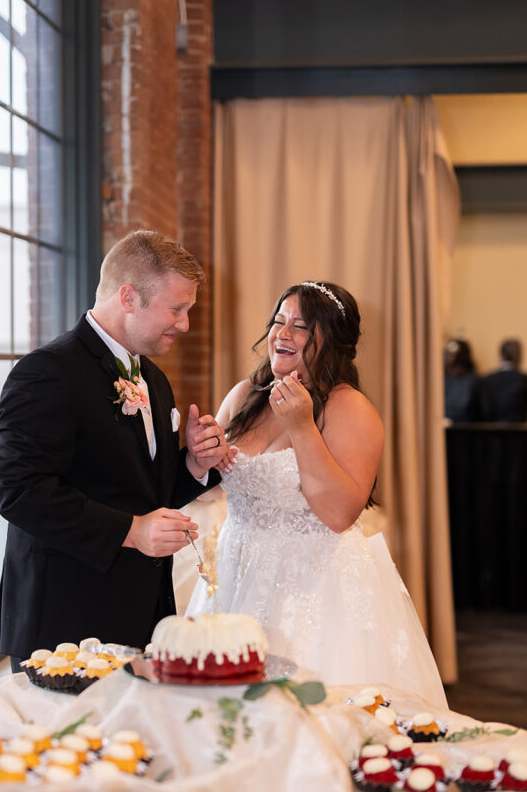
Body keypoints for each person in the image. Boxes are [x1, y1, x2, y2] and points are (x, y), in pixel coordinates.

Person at [186, 281, 447, 706]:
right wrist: (200, 457)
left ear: (333, 341)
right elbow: (209, 491)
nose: (282, 334)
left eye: (301, 326)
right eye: (278, 321)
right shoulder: (244, 396)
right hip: (237, 576)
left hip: (314, 590)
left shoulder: (350, 409)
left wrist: (303, 426)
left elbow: (340, 514)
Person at [0, 230, 228, 670]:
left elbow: (144, 494)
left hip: (139, 616)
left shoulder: (153, 379)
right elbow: (19, 492)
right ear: (128, 297)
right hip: (63, 624)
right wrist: (132, 531)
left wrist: (193, 463)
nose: (184, 324)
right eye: (177, 309)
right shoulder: (46, 372)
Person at [481, 338, 527, 422]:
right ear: (519, 356)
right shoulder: (523, 379)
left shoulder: (486, 379)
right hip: (518, 432)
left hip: (490, 431)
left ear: (501, 356)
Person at [443, 337, 484, 424]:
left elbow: (485, 412)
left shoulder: (474, 381)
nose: (448, 357)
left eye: (452, 354)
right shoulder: (442, 380)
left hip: (467, 432)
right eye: (447, 353)